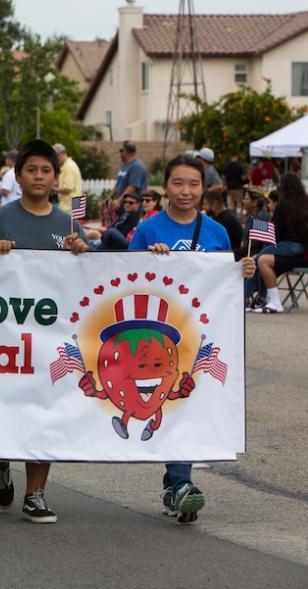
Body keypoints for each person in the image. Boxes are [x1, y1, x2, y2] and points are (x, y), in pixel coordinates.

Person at [0, 139, 91, 524]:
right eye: (32, 170)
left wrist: (83, 251)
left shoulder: (67, 223)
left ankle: (36, 493)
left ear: (56, 177)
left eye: (47, 170)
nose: (39, 176)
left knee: (43, 412)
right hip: (4, 336)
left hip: (50, 337)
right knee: (4, 408)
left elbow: (92, 278)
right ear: (18, 175)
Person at [129, 155, 255, 524]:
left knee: (186, 403)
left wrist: (243, 271)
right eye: (178, 183)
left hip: (201, 337)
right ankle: (181, 484)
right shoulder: (148, 230)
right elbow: (125, 278)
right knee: (170, 401)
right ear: (165, 186)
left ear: (205, 188)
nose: (186, 191)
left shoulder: (216, 232)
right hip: (158, 338)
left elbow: (228, 289)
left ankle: (176, 484)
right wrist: (149, 261)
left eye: (194, 184)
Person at [246, 173, 308, 314]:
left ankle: (249, 297)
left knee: (256, 259)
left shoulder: (284, 204)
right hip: (301, 248)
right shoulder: (305, 202)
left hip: (288, 244)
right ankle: (260, 297)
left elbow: (275, 230)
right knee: (260, 259)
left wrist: (256, 226)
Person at [107, 141, 148, 227]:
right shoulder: (124, 165)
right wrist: (109, 197)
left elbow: (133, 186)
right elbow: (118, 183)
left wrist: (119, 201)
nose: (120, 153)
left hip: (132, 207)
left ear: (126, 151)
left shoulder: (137, 167)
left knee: (126, 230)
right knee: (117, 227)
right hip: (122, 206)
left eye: (121, 150)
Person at [201, 191, 242, 260]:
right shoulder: (219, 217)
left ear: (214, 204)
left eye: (205, 204)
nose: (203, 207)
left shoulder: (226, 220)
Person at [52, 143, 83, 213]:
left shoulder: (68, 167)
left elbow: (67, 189)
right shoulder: (68, 165)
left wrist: (52, 189)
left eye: (55, 157)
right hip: (71, 204)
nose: (54, 160)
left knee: (66, 223)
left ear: (61, 154)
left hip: (69, 206)